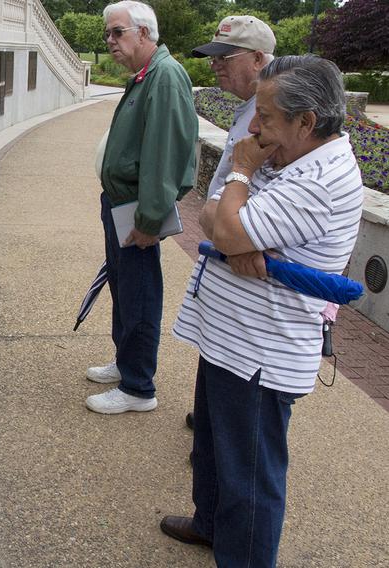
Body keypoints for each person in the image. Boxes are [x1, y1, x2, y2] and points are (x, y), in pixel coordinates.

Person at [162, 55, 364, 567]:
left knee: (249, 476)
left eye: (267, 117)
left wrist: (241, 177)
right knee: (211, 446)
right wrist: (232, 226)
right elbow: (210, 214)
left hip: (260, 351)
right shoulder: (289, 157)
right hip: (231, 337)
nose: (253, 128)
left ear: (306, 122)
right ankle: (210, 524)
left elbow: (224, 225)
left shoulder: (317, 178)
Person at [85, 0, 198, 414]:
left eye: (118, 32)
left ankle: (138, 387)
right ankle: (125, 362)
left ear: (145, 34)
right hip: (121, 205)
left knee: (140, 294)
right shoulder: (145, 75)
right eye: (108, 34)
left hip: (138, 212)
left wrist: (150, 220)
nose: (110, 41)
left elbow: (165, 154)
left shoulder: (165, 77)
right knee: (123, 287)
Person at [186, 15, 277, 430]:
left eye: (226, 56)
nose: (215, 64)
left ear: (259, 58)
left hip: (248, 270)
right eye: (213, 57)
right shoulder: (250, 110)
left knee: (245, 424)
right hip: (226, 251)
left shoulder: (277, 118)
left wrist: (233, 237)